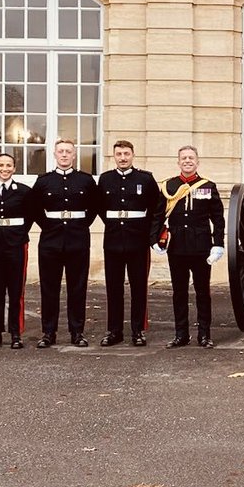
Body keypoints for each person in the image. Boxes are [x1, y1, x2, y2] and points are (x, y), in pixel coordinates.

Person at [26, 139, 99, 348]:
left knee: (78, 288)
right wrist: (48, 225)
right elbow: (34, 207)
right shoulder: (44, 181)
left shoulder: (85, 181)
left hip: (77, 239)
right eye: (61, 152)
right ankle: (48, 332)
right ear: (55, 155)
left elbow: (94, 207)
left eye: (68, 152)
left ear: (74, 155)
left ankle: (77, 332)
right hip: (51, 240)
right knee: (49, 288)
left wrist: (83, 224)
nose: (65, 155)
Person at [155, 145, 225, 348]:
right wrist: (155, 239)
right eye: (184, 158)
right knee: (179, 292)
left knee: (202, 292)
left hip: (201, 248)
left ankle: (204, 335)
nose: (187, 161)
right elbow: (158, 215)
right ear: (178, 162)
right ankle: (181, 335)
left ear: (197, 162)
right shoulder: (169, 186)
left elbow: (218, 219)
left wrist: (218, 244)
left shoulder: (208, 186)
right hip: (177, 247)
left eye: (191, 158)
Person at [97, 140, 163, 347]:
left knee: (139, 287)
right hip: (114, 240)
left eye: (126, 154)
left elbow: (157, 207)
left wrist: (150, 234)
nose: (123, 158)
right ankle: (114, 331)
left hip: (138, 241)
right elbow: (100, 206)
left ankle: (138, 331)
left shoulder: (145, 178)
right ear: (114, 156)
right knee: (113, 288)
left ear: (133, 155)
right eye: (119, 154)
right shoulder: (105, 179)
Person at [0, 153, 32, 349]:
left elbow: (30, 216)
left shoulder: (24, 191)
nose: (4, 169)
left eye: (8, 165)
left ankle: (16, 333)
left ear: (14, 168)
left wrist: (16, 232)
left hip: (16, 242)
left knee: (16, 289)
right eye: (1, 165)